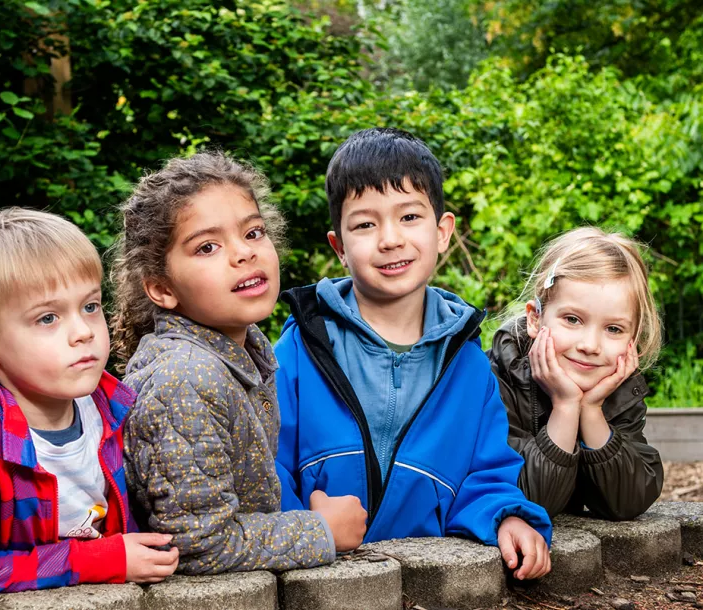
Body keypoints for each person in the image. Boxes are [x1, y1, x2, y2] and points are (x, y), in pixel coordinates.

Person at [275, 128, 552, 580]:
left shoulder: (469, 367)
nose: (390, 239)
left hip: (429, 587)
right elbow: (267, 463)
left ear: (443, 232)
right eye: (365, 224)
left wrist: (508, 517)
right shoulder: (299, 349)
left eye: (409, 217)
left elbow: (486, 475)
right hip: (317, 583)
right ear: (339, 248)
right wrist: (307, 530)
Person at [114, 151, 367, 575]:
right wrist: (321, 529)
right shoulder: (185, 377)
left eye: (253, 232)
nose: (243, 253)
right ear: (161, 288)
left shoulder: (243, 350)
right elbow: (200, 545)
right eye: (208, 246)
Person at [0, 208, 178, 595]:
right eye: (47, 318)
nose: (82, 332)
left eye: (90, 307)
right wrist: (101, 560)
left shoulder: (114, 406)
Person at [488, 227, 663, 520]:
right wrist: (566, 406)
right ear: (535, 318)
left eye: (613, 329)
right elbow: (529, 501)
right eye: (572, 319)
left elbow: (627, 502)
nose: (590, 346)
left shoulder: (618, 390)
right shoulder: (495, 383)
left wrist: (591, 410)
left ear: (633, 339)